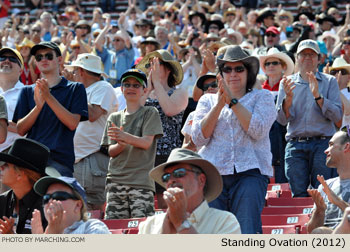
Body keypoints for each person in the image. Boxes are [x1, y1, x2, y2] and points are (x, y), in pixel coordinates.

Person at [191, 45, 276, 234]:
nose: (233, 74)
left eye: (239, 68)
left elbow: (258, 131)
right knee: (214, 233)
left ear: (248, 72)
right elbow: (198, 138)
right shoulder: (207, 101)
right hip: (213, 175)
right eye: (227, 69)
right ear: (220, 75)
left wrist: (233, 103)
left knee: (246, 230)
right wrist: (220, 105)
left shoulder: (263, 97)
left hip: (251, 173)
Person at [276, 39, 342, 197]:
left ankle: (323, 223)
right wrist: (288, 101)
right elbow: (281, 121)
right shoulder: (287, 83)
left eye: (312, 54)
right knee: (298, 194)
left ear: (319, 59)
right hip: (295, 145)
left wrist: (318, 97)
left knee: (324, 194)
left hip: (322, 143)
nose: (307, 57)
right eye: (303, 54)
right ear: (297, 58)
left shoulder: (329, 81)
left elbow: (337, 116)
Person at [12, 41, 89, 178]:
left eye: (48, 55)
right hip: (30, 159)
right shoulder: (26, 91)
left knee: (56, 200)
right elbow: (20, 129)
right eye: (39, 57)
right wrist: (38, 107)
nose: (44, 60)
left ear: (59, 60)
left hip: (59, 160)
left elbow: (72, 123)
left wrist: (48, 97)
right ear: (35, 62)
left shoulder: (75, 88)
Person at [101, 69, 163, 219]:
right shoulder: (114, 117)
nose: (131, 88)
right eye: (127, 84)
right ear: (121, 89)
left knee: (142, 232)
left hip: (141, 183)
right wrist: (121, 144)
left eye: (136, 85)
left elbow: (146, 143)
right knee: (115, 232)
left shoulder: (150, 112)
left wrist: (124, 137)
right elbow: (111, 152)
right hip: (115, 182)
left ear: (144, 90)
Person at [138, 148, 241, 234]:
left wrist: (181, 223)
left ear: (201, 180)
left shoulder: (224, 222)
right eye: (166, 177)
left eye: (179, 173)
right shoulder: (149, 225)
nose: (171, 180)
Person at [64, 53, 117, 211]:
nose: (72, 75)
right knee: (78, 211)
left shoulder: (103, 87)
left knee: (94, 211)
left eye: (74, 71)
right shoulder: (81, 90)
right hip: (77, 159)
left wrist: (72, 89)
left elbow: (93, 114)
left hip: (92, 157)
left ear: (81, 71)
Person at [136, 49, 188, 208]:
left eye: (157, 64)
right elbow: (134, 115)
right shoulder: (146, 93)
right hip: (144, 153)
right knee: (144, 205)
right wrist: (149, 88)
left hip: (167, 155)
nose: (153, 68)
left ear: (168, 69)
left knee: (168, 202)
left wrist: (157, 84)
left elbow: (169, 109)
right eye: (151, 65)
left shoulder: (179, 93)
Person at [0, 138, 59, 234]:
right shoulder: (2, 201)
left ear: (20, 174)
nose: (1, 167)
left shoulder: (47, 207)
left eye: (7, 165)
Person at [259, 47, 295, 183]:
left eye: (275, 63)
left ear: (283, 67)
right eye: (267, 63)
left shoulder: (291, 87)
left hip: (284, 136)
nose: (270, 66)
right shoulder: (258, 89)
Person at [307, 127, 350, 233]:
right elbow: (311, 232)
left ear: (346, 146)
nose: (326, 151)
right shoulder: (325, 186)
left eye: (331, 145)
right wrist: (319, 211)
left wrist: (338, 202)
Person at [31, 176, 110, 234]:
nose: (50, 202)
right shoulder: (42, 232)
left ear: (78, 205)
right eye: (46, 198)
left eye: (58, 196)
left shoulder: (92, 228)